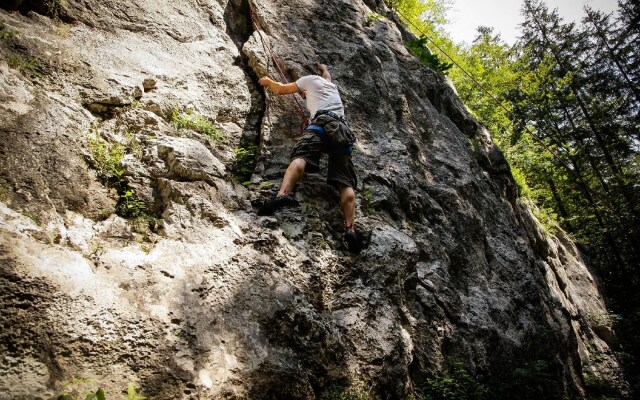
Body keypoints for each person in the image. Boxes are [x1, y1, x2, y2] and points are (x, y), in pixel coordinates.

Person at [257, 62, 361, 252]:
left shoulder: (307, 80)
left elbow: (280, 90)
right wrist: (324, 67)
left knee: (301, 156)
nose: (302, 96)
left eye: (302, 93)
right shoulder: (331, 86)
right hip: (342, 130)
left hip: (322, 123)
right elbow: (327, 76)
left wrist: (266, 81)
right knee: (345, 182)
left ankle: (283, 195)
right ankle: (350, 229)